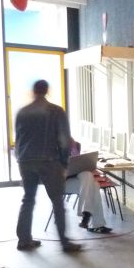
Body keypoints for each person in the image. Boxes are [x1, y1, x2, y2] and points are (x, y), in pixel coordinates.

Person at [14, 80, 82, 253]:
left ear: (34, 91)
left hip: (26, 161)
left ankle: (24, 240)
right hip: (49, 161)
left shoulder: (22, 112)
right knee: (57, 201)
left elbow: (18, 139)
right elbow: (64, 139)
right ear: (47, 91)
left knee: (28, 199)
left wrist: (20, 159)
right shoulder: (56, 111)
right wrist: (64, 162)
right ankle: (65, 243)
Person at [67, 140, 112, 234]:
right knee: (93, 185)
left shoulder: (76, 145)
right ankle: (96, 224)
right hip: (62, 181)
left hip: (77, 178)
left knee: (88, 176)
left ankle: (86, 215)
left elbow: (77, 165)